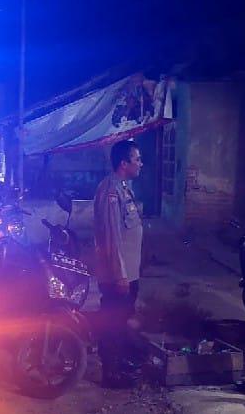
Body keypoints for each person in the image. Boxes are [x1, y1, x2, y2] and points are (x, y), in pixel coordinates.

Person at [93, 139, 144, 388]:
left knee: (122, 322)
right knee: (112, 324)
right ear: (124, 164)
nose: (141, 164)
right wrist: (120, 275)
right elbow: (112, 236)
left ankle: (121, 366)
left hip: (129, 273)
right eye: (137, 159)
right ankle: (111, 373)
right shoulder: (110, 191)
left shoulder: (123, 188)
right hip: (117, 276)